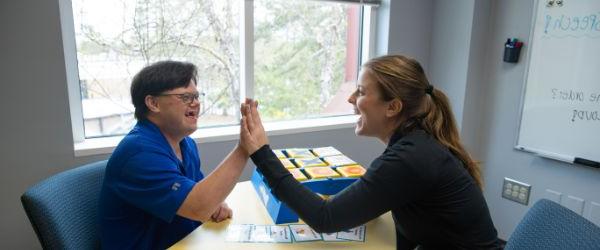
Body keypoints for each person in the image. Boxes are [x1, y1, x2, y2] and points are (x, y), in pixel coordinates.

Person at [239, 55, 500, 249]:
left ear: (392, 107)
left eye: (361, 92)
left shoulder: (410, 158)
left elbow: (325, 218)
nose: (351, 99)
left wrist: (261, 153)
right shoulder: (416, 146)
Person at [99, 61, 249, 249]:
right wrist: (244, 149)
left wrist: (215, 203)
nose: (196, 103)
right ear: (153, 103)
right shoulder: (139, 154)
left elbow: (199, 196)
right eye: (185, 97)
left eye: (196, 96)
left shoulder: (186, 145)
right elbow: (199, 206)